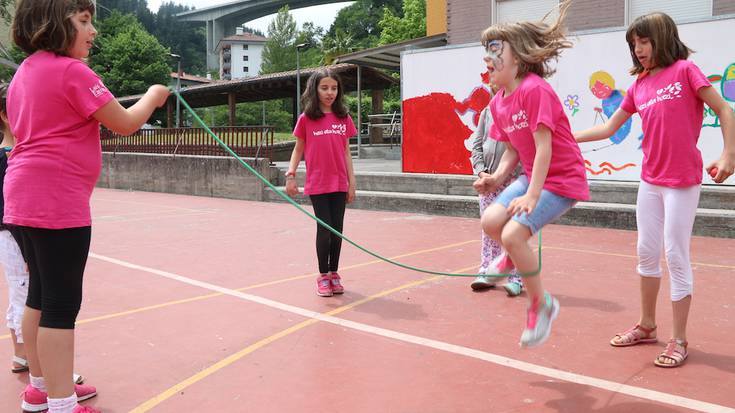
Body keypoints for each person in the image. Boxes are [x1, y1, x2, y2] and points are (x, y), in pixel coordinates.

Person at [6, 1, 170, 412]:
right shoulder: (71, 71)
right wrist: (153, 95)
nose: (92, 30)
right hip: (56, 199)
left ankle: (40, 389)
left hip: (22, 194)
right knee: (61, 305)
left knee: (39, 297)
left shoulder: (26, 71)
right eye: (83, 21)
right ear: (54, 23)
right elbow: (127, 122)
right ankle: (61, 403)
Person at [575, 12, 735, 367]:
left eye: (644, 42)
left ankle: (679, 339)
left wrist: (728, 154)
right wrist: (564, 138)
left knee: (675, 254)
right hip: (650, 180)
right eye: (634, 44)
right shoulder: (639, 85)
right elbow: (608, 129)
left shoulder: (685, 71)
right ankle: (647, 325)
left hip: (682, 182)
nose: (638, 49)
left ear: (661, 38)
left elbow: (725, 109)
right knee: (646, 252)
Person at [479, 0, 590, 347]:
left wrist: (532, 194)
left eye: (496, 51)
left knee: (512, 235)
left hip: (561, 180)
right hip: (533, 177)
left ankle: (541, 305)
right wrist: (496, 179)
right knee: (490, 222)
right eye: (486, 53)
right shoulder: (498, 101)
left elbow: (543, 148)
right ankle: (511, 256)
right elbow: (514, 147)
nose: (488, 60)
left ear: (517, 58)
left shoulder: (534, 90)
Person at [0, 83, 86, 385]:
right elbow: (9, 209)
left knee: (28, 296)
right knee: (35, 299)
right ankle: (49, 374)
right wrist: (27, 251)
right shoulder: (11, 156)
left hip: (15, 236)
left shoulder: (15, 153)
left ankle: (28, 362)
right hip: (15, 238)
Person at [285, 68, 357, 297]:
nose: (330, 92)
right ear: (315, 90)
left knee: (337, 231)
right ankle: (322, 276)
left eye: (334, 88)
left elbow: (346, 153)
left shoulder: (343, 117)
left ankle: (334, 273)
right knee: (324, 229)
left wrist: (352, 183)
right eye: (324, 88)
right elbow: (298, 149)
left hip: (339, 183)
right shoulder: (306, 119)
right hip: (318, 184)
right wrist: (291, 175)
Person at [469, 105, 524, 296]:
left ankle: (516, 278)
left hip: (515, 181)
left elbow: (523, 148)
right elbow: (477, 145)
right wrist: (481, 171)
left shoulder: (521, 110)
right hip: (488, 179)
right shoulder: (487, 111)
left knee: (513, 230)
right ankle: (486, 272)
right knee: (488, 229)